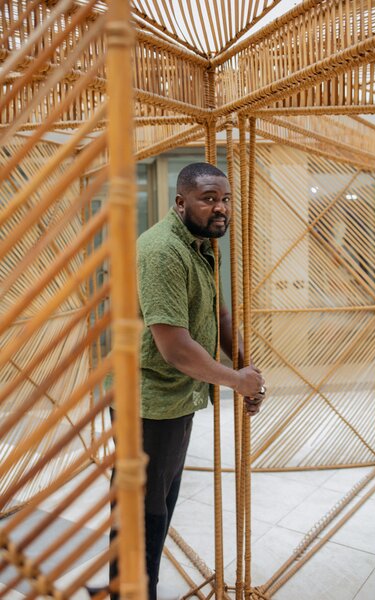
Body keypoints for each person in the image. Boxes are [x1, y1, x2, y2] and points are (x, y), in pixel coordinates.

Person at [111, 162, 266, 600]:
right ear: (180, 203)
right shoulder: (163, 251)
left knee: (154, 511)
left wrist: (246, 370)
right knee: (143, 517)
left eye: (225, 198)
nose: (221, 208)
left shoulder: (203, 244)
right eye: (208, 199)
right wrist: (238, 382)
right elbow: (175, 347)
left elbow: (218, 314)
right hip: (147, 404)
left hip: (175, 400)